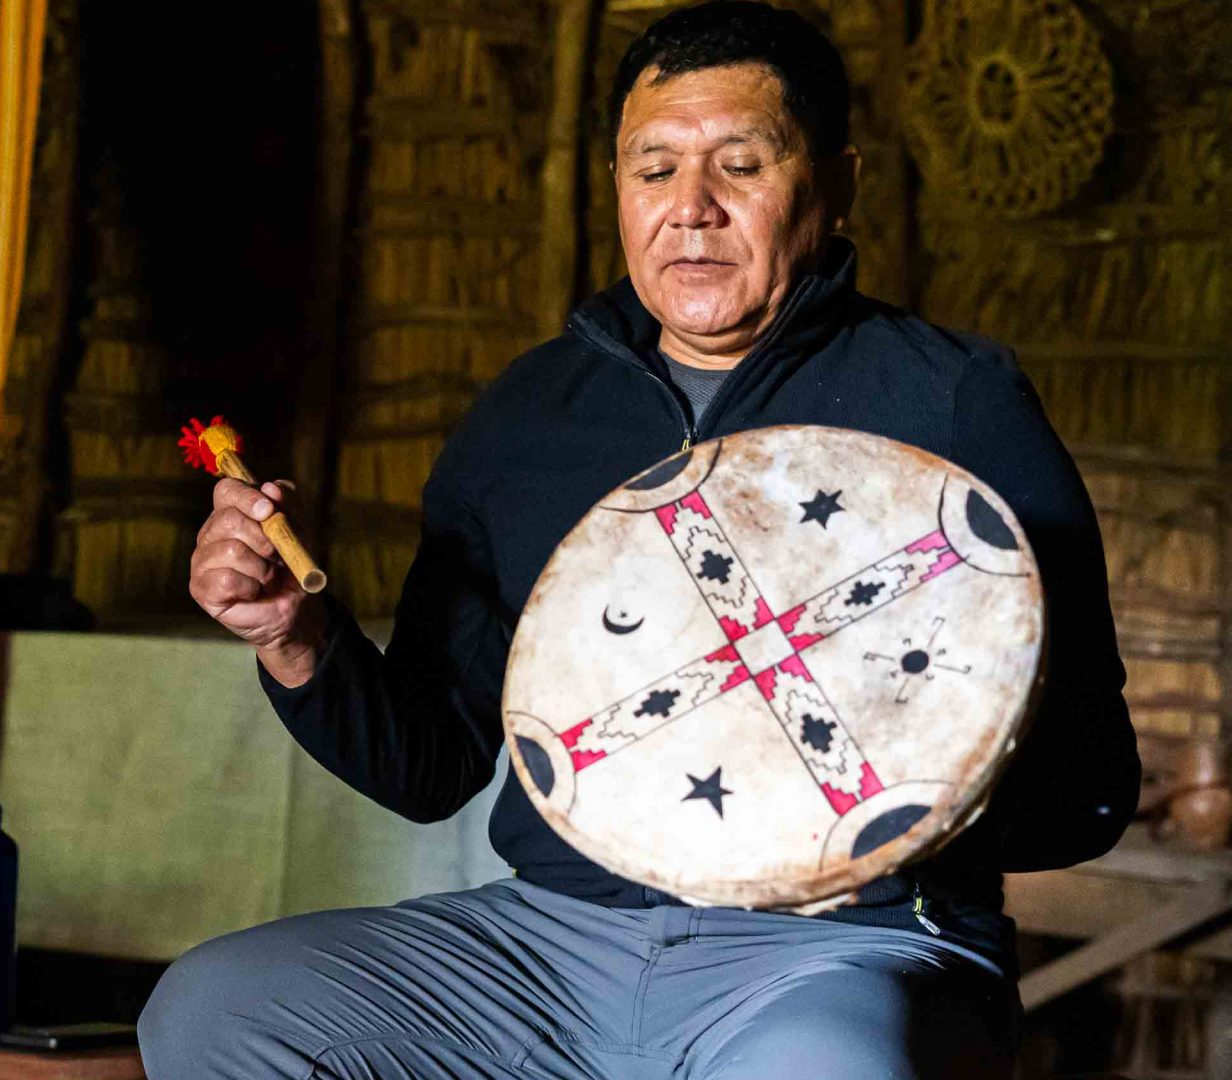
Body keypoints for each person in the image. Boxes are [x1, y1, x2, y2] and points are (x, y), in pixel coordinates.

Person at [144, 3, 1139, 1077]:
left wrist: (881, 821)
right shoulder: (530, 418)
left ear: (837, 186)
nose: (691, 210)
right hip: (554, 942)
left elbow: (1093, 784)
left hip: (839, 953)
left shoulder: (952, 403)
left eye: (741, 164)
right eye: (653, 169)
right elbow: (433, 764)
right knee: (218, 1010)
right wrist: (294, 638)